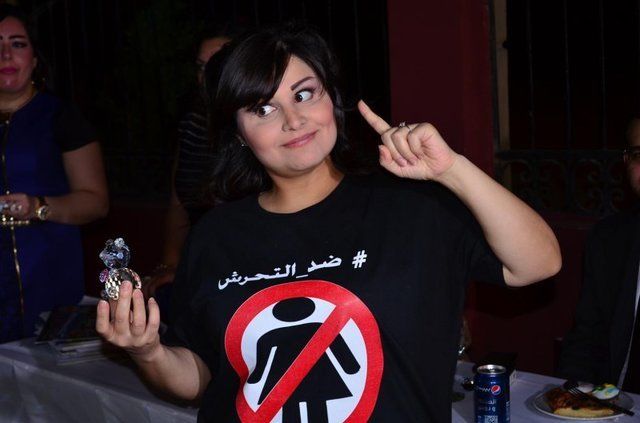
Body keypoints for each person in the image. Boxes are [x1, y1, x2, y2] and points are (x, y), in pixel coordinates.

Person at [96, 24, 561, 422]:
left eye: (304, 94)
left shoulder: (412, 208)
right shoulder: (215, 236)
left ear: (331, 100)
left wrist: (452, 169)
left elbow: (538, 263)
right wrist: (148, 352)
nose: (293, 119)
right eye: (262, 108)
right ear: (238, 133)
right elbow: (202, 376)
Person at [0, 5, 108, 343]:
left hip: (48, 269)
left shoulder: (60, 116)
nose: (5, 54)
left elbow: (96, 202)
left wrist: (38, 207)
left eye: (18, 44)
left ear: (35, 57)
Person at [141, 30, 231, 305]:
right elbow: (178, 201)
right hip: (200, 261)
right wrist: (170, 264)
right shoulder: (193, 124)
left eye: (218, 64)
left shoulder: (265, 129)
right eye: (201, 67)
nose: (206, 76)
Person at [558, 118, 640, 394]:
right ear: (626, 161)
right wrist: (571, 398)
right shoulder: (608, 239)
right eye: (639, 154)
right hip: (612, 403)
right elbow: (586, 336)